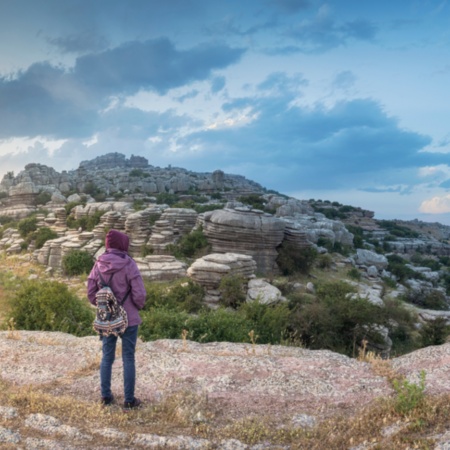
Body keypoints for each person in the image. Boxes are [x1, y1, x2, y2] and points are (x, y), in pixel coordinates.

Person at [87, 229, 146, 410]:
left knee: (107, 357)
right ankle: (129, 401)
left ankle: (106, 397)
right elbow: (139, 294)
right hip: (129, 318)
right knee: (128, 357)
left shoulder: (98, 264)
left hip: (107, 318)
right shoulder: (129, 264)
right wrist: (136, 306)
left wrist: (104, 303)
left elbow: (91, 293)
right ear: (123, 244)